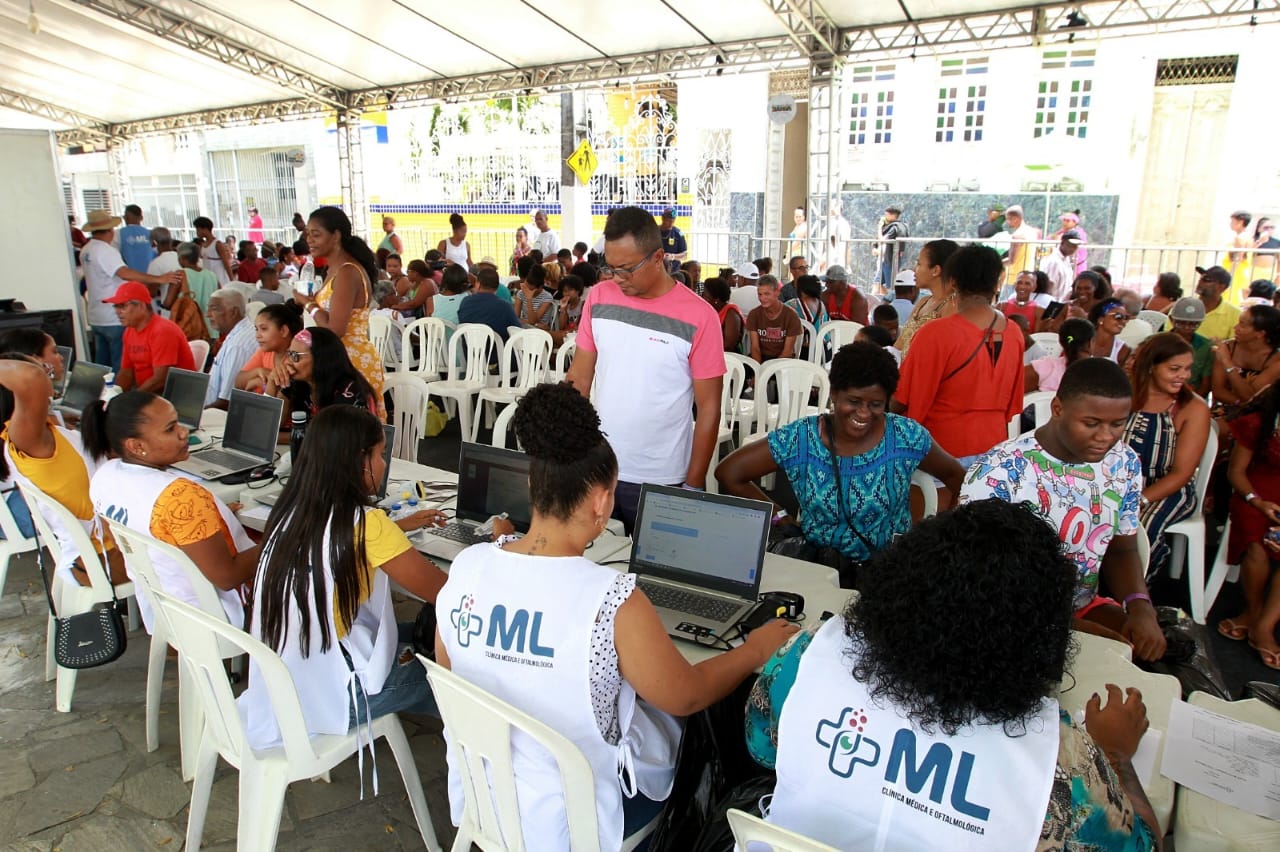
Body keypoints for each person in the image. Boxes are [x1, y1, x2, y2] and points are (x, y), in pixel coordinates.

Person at [436, 383, 797, 847]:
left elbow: (452, 676)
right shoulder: (610, 600)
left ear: (532, 485)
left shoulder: (467, 569)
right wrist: (754, 649)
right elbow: (684, 697)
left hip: (484, 795)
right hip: (572, 820)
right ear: (602, 503)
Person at [746, 498, 1161, 851]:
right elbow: (1142, 844)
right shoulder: (1064, 764)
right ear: (1034, 635)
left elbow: (762, 747)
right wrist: (1115, 757)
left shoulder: (807, 655)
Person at [240, 405, 453, 748]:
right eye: (382, 454)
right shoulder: (368, 525)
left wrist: (395, 529)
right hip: (335, 696)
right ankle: (482, 767)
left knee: (415, 631)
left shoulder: (292, 510)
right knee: (453, 676)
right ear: (359, 461)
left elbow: (340, 543)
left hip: (286, 681)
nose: (385, 465)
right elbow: (445, 595)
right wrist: (497, 547)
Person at [960, 358, 1167, 661]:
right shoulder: (1002, 472)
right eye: (1092, 423)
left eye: (1117, 424)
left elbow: (1121, 549)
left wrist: (1140, 605)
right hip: (1003, 615)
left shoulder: (1124, 463)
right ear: (1058, 409)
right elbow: (977, 578)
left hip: (1080, 604)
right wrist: (1066, 628)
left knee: (1141, 654)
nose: (1106, 437)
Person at [718, 342, 963, 569]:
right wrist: (780, 518)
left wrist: (944, 536)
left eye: (876, 404)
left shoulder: (906, 437)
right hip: (817, 567)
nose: (864, 413)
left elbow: (957, 477)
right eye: (854, 401)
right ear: (834, 393)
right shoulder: (802, 438)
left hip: (886, 571)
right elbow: (729, 473)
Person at [566, 206, 724, 531]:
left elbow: (709, 407)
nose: (617, 279)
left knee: (655, 580)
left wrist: (692, 487)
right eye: (610, 268)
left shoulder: (700, 316)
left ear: (657, 257)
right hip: (598, 469)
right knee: (597, 570)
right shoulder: (598, 297)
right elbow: (579, 378)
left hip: (662, 479)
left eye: (626, 269)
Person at [85, 392, 258, 635]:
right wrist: (282, 536)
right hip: (217, 617)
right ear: (136, 446)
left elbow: (141, 529)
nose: (183, 432)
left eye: (178, 422)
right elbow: (227, 577)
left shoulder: (106, 476)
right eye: (170, 429)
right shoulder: (180, 497)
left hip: (164, 606)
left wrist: (210, 516)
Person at [894, 244, 1024, 504]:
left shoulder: (935, 334)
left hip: (940, 453)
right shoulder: (1015, 333)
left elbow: (906, 401)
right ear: (997, 283)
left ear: (953, 281)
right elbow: (1013, 405)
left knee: (930, 536)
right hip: (994, 451)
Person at [0, 355, 130, 587]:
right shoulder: (29, 441)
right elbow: (31, 378)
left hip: (104, 547)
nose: (47, 374)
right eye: (43, 369)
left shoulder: (48, 434)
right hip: (101, 558)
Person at [1123, 333, 1211, 578]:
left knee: (1141, 530)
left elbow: (1182, 473)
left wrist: (1138, 500)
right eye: (1174, 368)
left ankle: (1130, 600)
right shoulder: (1126, 394)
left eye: (1187, 369)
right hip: (1122, 483)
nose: (1183, 375)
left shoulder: (1192, 409)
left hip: (1168, 489)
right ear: (1151, 367)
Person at [296, 207, 385, 415]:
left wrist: (307, 303)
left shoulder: (347, 272)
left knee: (353, 434)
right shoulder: (334, 270)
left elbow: (335, 329)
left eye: (316, 234)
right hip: (337, 359)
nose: (309, 240)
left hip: (352, 362)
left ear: (335, 236)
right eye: (307, 234)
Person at [1220, 379, 1280, 667]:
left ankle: (1265, 626)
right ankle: (1253, 612)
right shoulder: (1260, 422)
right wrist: (1258, 501)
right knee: (1256, 545)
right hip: (1253, 493)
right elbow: (1236, 472)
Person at [80, 210, 183, 370]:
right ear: (110, 231)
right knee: (120, 366)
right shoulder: (106, 251)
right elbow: (124, 273)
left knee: (102, 368)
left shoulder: (86, 249)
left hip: (96, 315)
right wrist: (158, 279)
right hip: (113, 316)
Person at [266, 327, 377, 417]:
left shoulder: (349, 393)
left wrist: (285, 436)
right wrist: (272, 386)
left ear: (321, 359)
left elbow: (332, 441)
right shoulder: (298, 382)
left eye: (295, 356)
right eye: (289, 354)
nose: (287, 362)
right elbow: (267, 427)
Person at [108, 282, 196, 393]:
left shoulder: (162, 331)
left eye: (123, 306)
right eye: (116, 306)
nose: (117, 312)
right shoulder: (129, 331)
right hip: (149, 396)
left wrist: (130, 400)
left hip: (174, 397)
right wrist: (114, 396)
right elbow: (126, 372)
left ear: (141, 306)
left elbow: (160, 380)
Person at [1210, 304, 1280, 416]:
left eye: (1242, 325)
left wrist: (1228, 364)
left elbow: (1251, 397)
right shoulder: (1227, 348)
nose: (1235, 328)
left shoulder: (1275, 361)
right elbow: (1218, 391)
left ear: (1260, 334)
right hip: (1226, 408)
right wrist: (1239, 403)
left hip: (1258, 415)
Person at [896, 239, 960, 355]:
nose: (915, 269)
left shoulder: (952, 306)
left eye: (919, 264)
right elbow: (900, 344)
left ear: (935, 270)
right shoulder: (923, 302)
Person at [203, 291, 257, 409]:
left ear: (233, 312)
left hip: (218, 417)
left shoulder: (238, 346)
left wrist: (199, 413)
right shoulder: (236, 334)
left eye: (214, 309)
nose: (208, 314)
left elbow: (226, 402)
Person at [236, 304, 302, 393]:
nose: (257, 335)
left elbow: (282, 398)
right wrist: (257, 371)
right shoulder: (265, 352)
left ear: (283, 331)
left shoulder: (296, 359)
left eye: (264, 329)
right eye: (256, 329)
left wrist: (259, 383)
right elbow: (238, 383)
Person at [1025, 318, 1094, 393]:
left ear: (1061, 342)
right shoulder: (1102, 372)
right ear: (1090, 344)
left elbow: (1013, 387)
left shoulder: (1045, 366)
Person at [746, 276, 802, 363]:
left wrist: (769, 371)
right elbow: (755, 347)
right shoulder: (754, 314)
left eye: (767, 294)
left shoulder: (791, 315)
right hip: (760, 357)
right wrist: (758, 370)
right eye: (760, 294)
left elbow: (787, 352)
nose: (762, 298)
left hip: (783, 360)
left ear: (777, 292)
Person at [458, 267, 521, 345]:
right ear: (497, 287)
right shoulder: (505, 307)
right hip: (497, 355)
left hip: (470, 354)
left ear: (478, 284)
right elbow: (517, 332)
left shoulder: (465, 302)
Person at [1168, 296, 1215, 396]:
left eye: (1193, 324)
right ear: (1171, 319)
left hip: (1192, 397)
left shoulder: (1206, 347)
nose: (1187, 328)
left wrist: (1191, 403)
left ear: (1201, 323)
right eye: (1181, 323)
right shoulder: (1154, 342)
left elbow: (1206, 384)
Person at [1194, 265, 1241, 342]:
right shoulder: (1184, 306)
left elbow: (1234, 345)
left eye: (1207, 279)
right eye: (1201, 278)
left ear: (1221, 287)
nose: (1200, 282)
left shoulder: (1235, 314)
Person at [704, 277, 745, 354]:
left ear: (716, 300)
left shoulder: (731, 314)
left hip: (728, 357)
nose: (702, 298)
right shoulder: (711, 311)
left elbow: (728, 345)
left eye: (706, 297)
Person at [1038, 231, 1083, 301]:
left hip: (1062, 303)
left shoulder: (1066, 260)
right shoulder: (1054, 261)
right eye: (1070, 245)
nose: (1073, 249)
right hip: (1052, 303)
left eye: (1075, 246)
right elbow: (1048, 286)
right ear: (1062, 243)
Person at [1087, 298, 1133, 365]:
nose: (1123, 322)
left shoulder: (1123, 350)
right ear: (1101, 319)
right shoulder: (1083, 341)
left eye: (1126, 318)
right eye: (1118, 316)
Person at [192, 216, 233, 287]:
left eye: (198, 230)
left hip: (219, 276)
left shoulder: (217, 244)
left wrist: (232, 280)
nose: (197, 232)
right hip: (208, 276)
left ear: (204, 229)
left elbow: (226, 263)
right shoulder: (203, 244)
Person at [513, 264, 554, 330]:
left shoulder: (547, 297)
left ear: (540, 287)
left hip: (540, 332)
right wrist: (528, 322)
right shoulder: (521, 293)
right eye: (526, 286)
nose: (526, 290)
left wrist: (529, 299)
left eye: (530, 289)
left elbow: (532, 321)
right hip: (525, 328)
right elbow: (515, 318)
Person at [117, 205, 155, 274]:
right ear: (141, 218)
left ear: (126, 218)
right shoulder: (150, 233)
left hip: (131, 276)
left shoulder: (119, 233)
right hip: (150, 275)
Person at [877, 205, 908, 289]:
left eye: (887, 215)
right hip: (888, 260)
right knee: (877, 282)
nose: (885, 217)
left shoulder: (894, 227)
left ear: (893, 215)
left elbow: (882, 240)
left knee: (889, 286)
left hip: (890, 260)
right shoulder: (902, 226)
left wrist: (879, 227)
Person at [1004, 204, 1041, 274]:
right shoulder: (1032, 232)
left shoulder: (1017, 236)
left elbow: (1011, 260)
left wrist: (995, 264)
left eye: (1008, 219)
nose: (1007, 222)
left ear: (1016, 219)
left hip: (1014, 276)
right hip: (1028, 273)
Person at [554, 275, 584, 341]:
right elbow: (561, 327)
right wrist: (563, 308)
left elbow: (581, 326)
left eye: (571, 290)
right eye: (565, 291)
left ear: (578, 290)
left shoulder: (583, 304)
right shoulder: (566, 306)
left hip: (578, 336)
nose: (567, 293)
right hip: (567, 335)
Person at [658, 208, 687, 273]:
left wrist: (672, 256)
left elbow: (684, 255)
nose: (671, 223)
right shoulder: (654, 231)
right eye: (668, 220)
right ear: (663, 218)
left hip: (674, 270)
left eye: (673, 220)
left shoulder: (678, 233)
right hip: (657, 269)